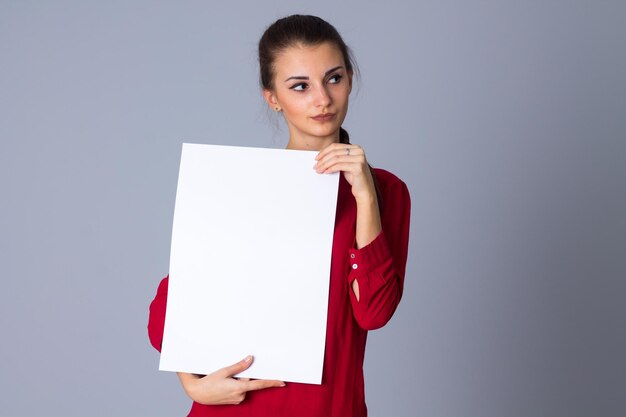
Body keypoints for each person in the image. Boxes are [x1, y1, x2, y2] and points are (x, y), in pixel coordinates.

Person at [148, 14, 411, 417]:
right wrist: (192, 383)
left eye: (334, 78)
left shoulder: (387, 192)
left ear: (351, 79)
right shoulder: (238, 185)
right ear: (273, 97)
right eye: (300, 86)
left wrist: (365, 196)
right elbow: (168, 312)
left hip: (329, 407)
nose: (322, 99)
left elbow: (373, 312)